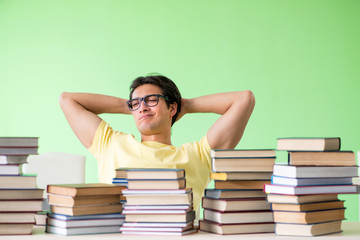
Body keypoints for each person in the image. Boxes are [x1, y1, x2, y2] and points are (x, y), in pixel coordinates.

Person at [59, 75, 255, 215]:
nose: (143, 107)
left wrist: (185, 105)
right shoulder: (110, 144)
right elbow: (68, 99)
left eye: (151, 100)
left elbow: (244, 99)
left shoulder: (198, 154)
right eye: (135, 103)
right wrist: (129, 105)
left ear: (172, 108)